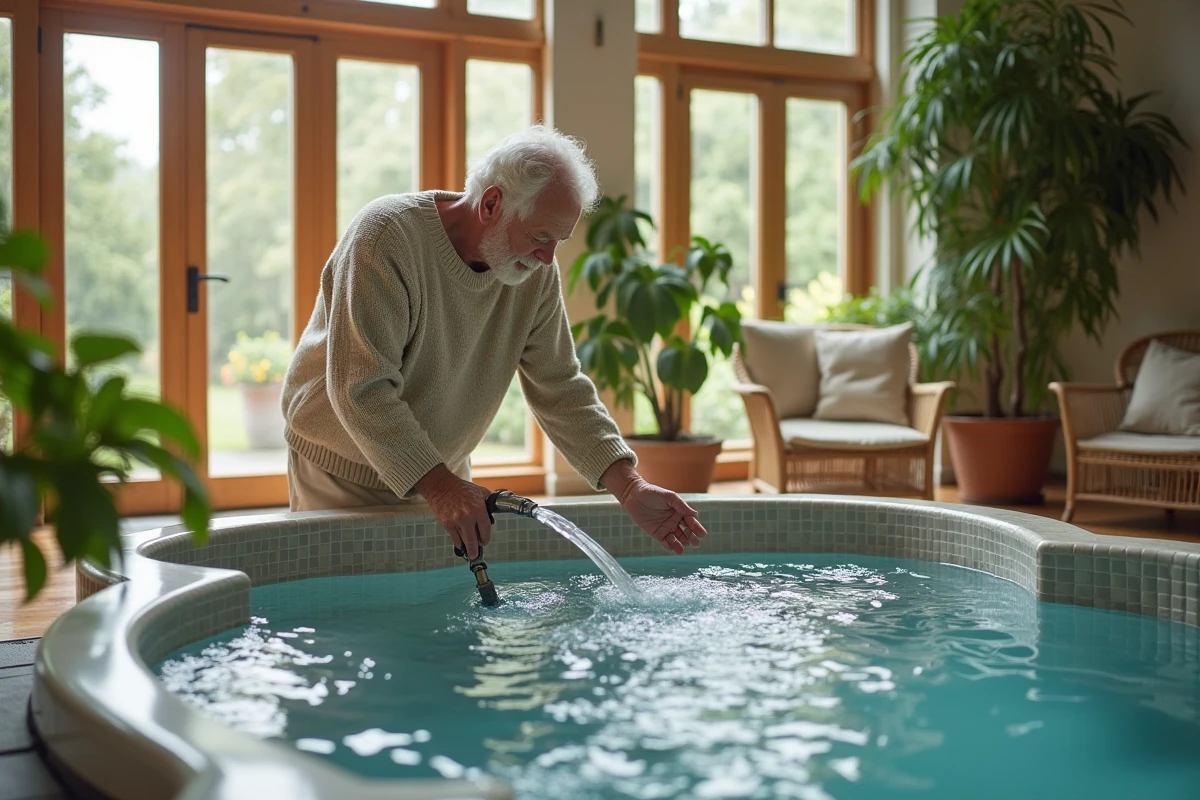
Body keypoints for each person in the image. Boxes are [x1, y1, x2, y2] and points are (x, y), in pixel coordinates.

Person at [281, 124, 707, 560]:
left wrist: (629, 485)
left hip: (440, 470)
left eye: (558, 241)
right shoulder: (386, 237)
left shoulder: (534, 274)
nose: (547, 258)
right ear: (490, 204)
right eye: (541, 237)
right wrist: (442, 485)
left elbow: (560, 386)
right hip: (343, 470)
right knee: (352, 619)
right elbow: (360, 389)